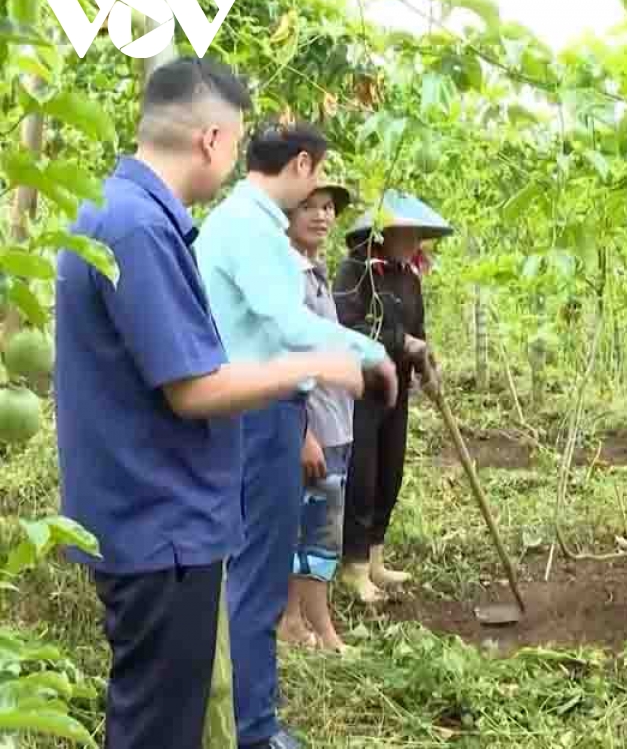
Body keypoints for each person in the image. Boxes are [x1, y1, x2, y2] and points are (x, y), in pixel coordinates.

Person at [55, 58, 366, 749]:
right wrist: (307, 367)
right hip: (159, 525)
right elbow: (192, 388)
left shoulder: (123, 213)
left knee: (157, 715)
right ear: (212, 140)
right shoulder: (137, 227)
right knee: (156, 728)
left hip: (150, 518)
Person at [195, 123, 399, 749]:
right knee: (258, 580)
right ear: (302, 166)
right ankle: (255, 732)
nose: (319, 201)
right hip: (258, 414)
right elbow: (284, 323)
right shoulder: (254, 229)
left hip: (248, 410)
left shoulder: (233, 223)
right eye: (317, 181)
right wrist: (367, 353)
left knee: (251, 576)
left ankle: (249, 722)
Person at [334, 191, 453, 602]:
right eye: (406, 233)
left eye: (418, 234)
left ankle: (376, 558)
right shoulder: (355, 272)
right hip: (362, 389)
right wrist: (404, 343)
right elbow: (348, 327)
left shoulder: (409, 276)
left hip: (396, 390)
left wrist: (426, 369)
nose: (414, 241)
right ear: (383, 232)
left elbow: (419, 332)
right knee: (363, 477)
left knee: (390, 473)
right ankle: (353, 566)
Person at [278, 182, 356, 654]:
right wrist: (302, 432)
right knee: (314, 528)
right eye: (309, 207)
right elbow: (285, 356)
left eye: (328, 208)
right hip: (313, 426)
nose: (323, 216)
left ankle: (299, 620)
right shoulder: (287, 274)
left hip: (334, 420)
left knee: (312, 525)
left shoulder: (315, 272)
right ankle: (316, 627)